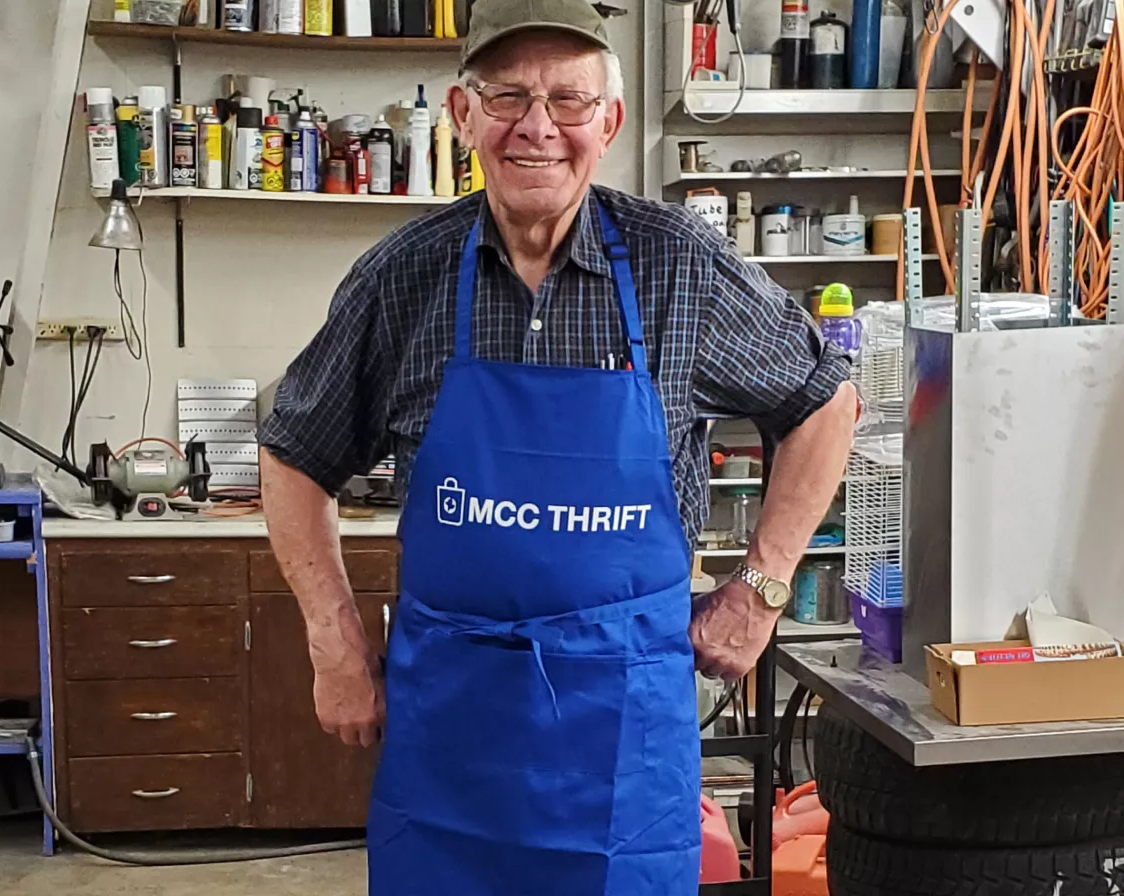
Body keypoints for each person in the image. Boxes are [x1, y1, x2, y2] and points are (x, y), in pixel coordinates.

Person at [258, 0, 856, 891]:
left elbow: (824, 402)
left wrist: (761, 591)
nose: (537, 128)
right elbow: (295, 454)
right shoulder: (402, 276)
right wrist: (333, 640)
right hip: (452, 727)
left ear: (608, 124)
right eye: (506, 97)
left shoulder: (677, 265)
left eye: (569, 101)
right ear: (463, 117)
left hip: (622, 731)